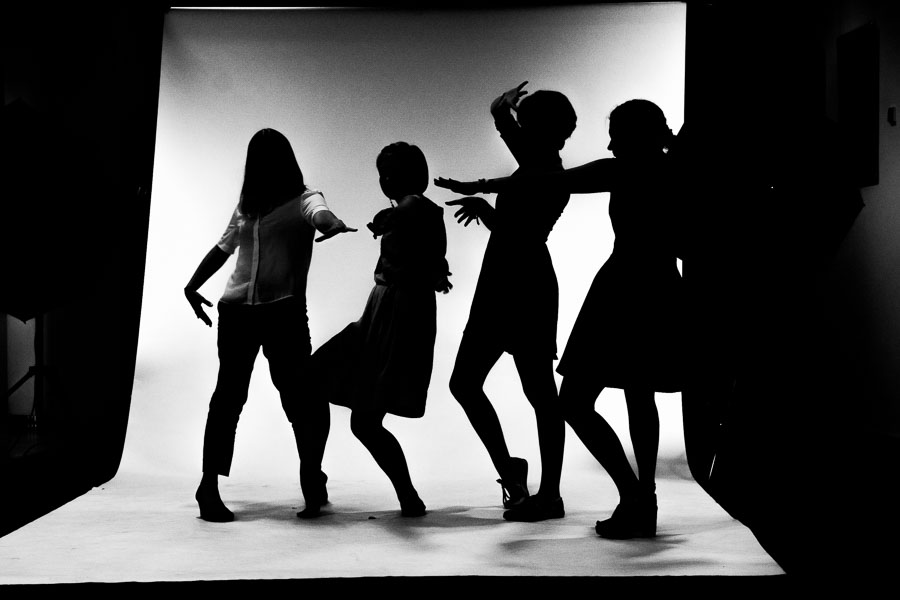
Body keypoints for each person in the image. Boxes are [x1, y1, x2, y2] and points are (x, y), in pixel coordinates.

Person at [436, 99, 684, 538]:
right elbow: (540, 175)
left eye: (616, 137)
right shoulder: (664, 170)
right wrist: (498, 124)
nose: (609, 145)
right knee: (631, 394)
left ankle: (622, 496)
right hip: (644, 285)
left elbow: (546, 187)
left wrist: (481, 187)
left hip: (608, 287)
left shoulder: (621, 170)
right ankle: (637, 497)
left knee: (568, 398)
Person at [185, 128, 356, 523]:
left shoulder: (306, 199)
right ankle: (208, 486)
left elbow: (321, 215)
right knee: (228, 399)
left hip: (284, 313)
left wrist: (333, 225)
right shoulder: (246, 208)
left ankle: (312, 476)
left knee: (301, 398)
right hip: (236, 313)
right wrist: (191, 286)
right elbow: (223, 247)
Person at [443, 82, 576, 522]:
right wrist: (504, 107)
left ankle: (550, 494)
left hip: (523, 286)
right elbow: (504, 125)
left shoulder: (550, 174)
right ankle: (515, 472)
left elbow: (521, 235)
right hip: (507, 283)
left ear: (542, 130)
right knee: (467, 384)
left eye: (527, 123)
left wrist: (485, 208)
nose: (520, 130)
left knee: (540, 395)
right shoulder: (535, 161)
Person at [309, 141, 451, 518]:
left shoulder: (413, 207)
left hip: (396, 316)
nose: (381, 181)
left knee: (362, 418)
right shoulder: (420, 210)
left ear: (398, 176)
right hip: (388, 313)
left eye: (385, 173)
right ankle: (406, 496)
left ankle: (405, 495)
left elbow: (404, 221)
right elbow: (431, 258)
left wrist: (387, 220)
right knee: (360, 417)